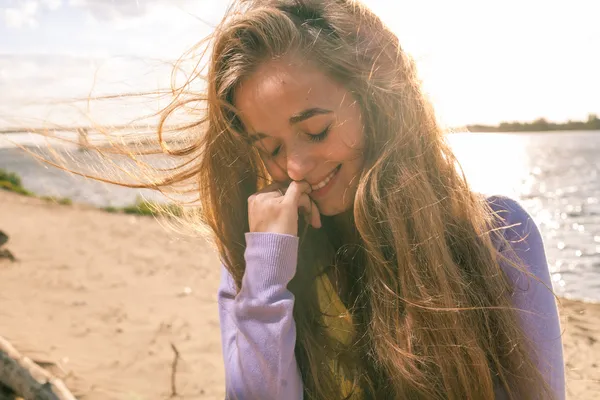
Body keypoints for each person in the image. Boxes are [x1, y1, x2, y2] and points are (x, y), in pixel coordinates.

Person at [44, 0, 564, 398]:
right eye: (269, 147)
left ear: (376, 101)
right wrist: (267, 277)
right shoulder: (261, 262)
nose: (293, 168)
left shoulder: (496, 233)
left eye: (315, 131)